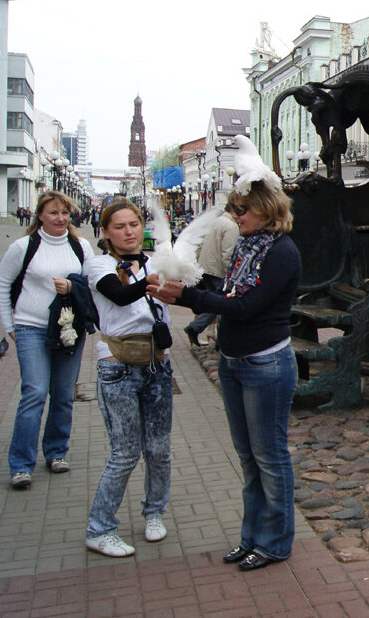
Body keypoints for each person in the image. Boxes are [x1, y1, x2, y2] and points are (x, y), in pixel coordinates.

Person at [149, 137, 301, 572]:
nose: (235, 216)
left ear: (266, 209)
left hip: (266, 363)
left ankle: (275, 542)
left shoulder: (281, 251)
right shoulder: (248, 245)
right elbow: (229, 293)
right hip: (234, 361)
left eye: (242, 209)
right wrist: (187, 286)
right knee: (249, 460)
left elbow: (246, 307)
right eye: (234, 209)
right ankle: (252, 536)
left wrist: (186, 298)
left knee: (270, 458)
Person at [85, 199, 174, 557]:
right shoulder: (100, 265)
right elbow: (119, 296)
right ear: (106, 232)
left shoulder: (156, 262)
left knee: (159, 450)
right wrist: (152, 281)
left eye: (134, 224)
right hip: (118, 366)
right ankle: (99, 529)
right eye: (119, 226)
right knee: (125, 453)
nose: (129, 232)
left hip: (158, 364)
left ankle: (154, 513)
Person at [0, 191, 95, 489]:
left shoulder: (81, 247)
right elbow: (3, 284)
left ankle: (56, 451)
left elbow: (92, 284)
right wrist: (9, 325)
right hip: (31, 327)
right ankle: (21, 464)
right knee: (35, 393)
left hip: (69, 330)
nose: (60, 218)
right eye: (53, 213)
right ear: (40, 215)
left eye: (65, 213)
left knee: (63, 394)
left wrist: (72, 287)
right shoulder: (23, 246)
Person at [183, 204, 239, 346]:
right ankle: (198, 328)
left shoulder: (214, 222)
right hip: (218, 270)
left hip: (205, 268)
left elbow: (199, 246)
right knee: (221, 302)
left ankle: (204, 330)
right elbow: (227, 254)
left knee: (214, 302)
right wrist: (230, 276)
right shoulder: (230, 226)